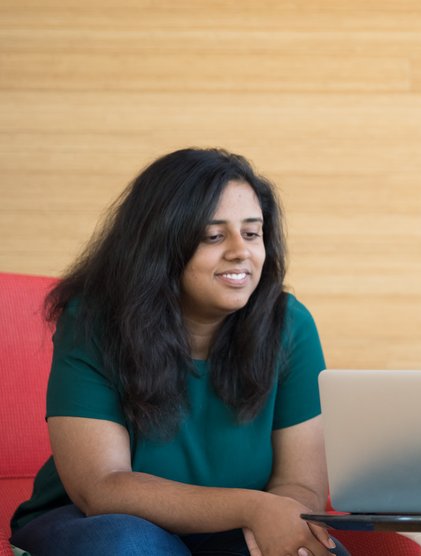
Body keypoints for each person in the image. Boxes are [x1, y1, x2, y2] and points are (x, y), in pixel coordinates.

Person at [10, 148, 348, 556]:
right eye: (214, 236)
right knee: (129, 546)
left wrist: (277, 523)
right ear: (161, 244)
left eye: (252, 233)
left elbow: (302, 485)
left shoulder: (290, 325)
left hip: (233, 529)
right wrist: (254, 507)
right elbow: (101, 486)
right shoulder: (93, 322)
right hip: (94, 524)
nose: (241, 250)